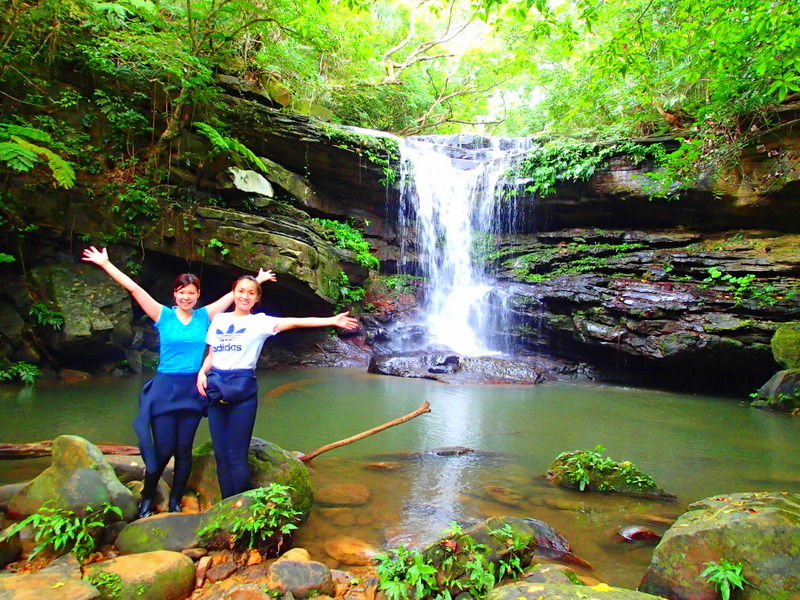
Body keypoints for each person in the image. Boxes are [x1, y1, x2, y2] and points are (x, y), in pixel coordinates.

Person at [81, 246, 275, 518]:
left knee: (184, 450)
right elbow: (135, 289)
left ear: (197, 296)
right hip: (165, 389)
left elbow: (239, 296)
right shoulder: (163, 315)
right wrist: (105, 264)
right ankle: (147, 497)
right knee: (162, 450)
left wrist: (258, 281)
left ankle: (175, 499)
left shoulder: (205, 316)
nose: (186, 297)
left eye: (191, 293)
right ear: (175, 294)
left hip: (193, 390)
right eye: (182, 292)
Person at [196, 274, 358, 499]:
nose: (245, 296)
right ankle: (225, 506)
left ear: (256, 298)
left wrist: (331, 320)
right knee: (221, 455)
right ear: (233, 293)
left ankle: (240, 508)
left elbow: (294, 321)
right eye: (241, 291)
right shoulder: (220, 320)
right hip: (216, 387)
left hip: (242, 389)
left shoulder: (260, 322)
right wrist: (202, 373)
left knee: (237, 456)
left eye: (251, 293)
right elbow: (213, 354)